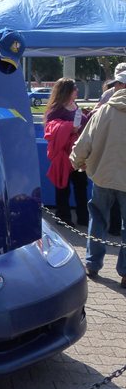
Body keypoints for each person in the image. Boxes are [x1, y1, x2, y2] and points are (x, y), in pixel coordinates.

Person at [70, 62, 126, 286]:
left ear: (119, 85)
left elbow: (84, 142)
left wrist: (77, 162)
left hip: (102, 175)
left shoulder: (103, 111)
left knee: (98, 219)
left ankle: (92, 264)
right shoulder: (103, 110)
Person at [43, 77, 90, 227]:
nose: (77, 90)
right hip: (62, 155)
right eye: (74, 88)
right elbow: (50, 130)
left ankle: (83, 217)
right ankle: (63, 217)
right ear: (66, 91)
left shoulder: (75, 106)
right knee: (63, 187)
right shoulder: (55, 110)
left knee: (81, 186)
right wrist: (70, 128)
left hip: (78, 153)